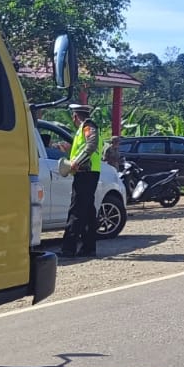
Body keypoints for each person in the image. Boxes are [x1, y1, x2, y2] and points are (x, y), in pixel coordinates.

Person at [60, 104, 102, 258]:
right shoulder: (82, 130)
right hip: (88, 173)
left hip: (86, 173)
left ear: (75, 116)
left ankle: (68, 248)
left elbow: (91, 146)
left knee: (76, 210)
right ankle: (88, 247)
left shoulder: (88, 126)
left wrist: (76, 162)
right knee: (88, 211)